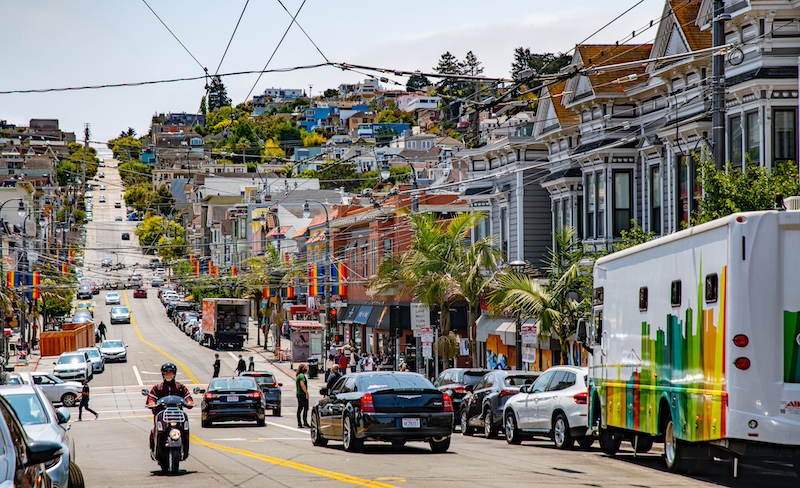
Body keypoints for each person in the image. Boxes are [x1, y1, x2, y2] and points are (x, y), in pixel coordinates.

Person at [146, 363, 194, 451]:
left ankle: (185, 447)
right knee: (158, 427)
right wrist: (151, 403)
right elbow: (151, 397)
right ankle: (155, 448)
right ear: (163, 374)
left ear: (174, 374)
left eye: (171, 373)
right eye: (166, 373)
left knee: (185, 425)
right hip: (163, 414)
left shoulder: (180, 387)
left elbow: (187, 397)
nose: (168, 375)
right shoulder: (158, 387)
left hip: (177, 414)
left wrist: (189, 402)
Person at [295, 364, 309, 428]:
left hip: (299, 393)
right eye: (305, 367)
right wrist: (306, 392)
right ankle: (304, 422)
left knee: (300, 408)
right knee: (305, 408)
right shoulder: (301, 376)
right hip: (302, 394)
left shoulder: (299, 375)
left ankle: (299, 422)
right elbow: (302, 385)